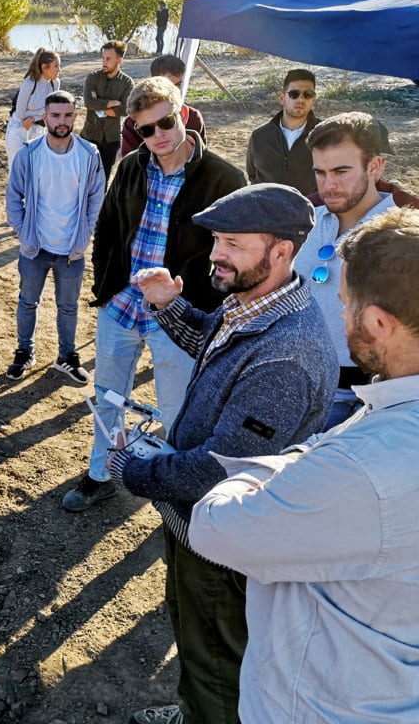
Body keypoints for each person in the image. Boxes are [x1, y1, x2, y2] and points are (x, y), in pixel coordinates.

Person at [110, 184, 337, 724]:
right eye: (217, 240)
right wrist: (167, 304)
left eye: (233, 243)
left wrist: (132, 470)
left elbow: (217, 469)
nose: (216, 254)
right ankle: (194, 709)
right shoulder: (255, 303)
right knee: (192, 630)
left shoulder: (287, 356)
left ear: (281, 251)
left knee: (217, 655)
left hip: (224, 542)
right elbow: (214, 339)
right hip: (197, 526)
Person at [189, 205, 419, 724]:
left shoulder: (362, 468)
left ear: (379, 321)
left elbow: (215, 525)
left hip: (319, 702)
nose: (339, 318)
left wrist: (281, 463)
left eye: (345, 306)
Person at [63, 76, 246, 512]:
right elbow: (107, 230)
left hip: (181, 314)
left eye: (165, 123)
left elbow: (237, 252)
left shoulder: (224, 176)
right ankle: (101, 473)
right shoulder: (130, 166)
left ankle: (180, 492)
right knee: (107, 396)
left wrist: (198, 300)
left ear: (182, 114)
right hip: (122, 307)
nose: (158, 136)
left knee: (178, 411)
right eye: (145, 129)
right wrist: (104, 289)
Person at [299, 112, 397, 428]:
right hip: (293, 384)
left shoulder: (399, 238)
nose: (329, 185)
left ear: (375, 166)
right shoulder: (306, 221)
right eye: (320, 172)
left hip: (357, 400)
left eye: (341, 171)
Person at [4, 90, 104, 383]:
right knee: (27, 302)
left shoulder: (89, 154)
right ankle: (24, 352)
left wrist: (86, 232)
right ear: (45, 117)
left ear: (76, 115)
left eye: (68, 115)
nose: (62, 121)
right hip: (35, 247)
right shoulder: (29, 153)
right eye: (56, 115)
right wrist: (23, 233)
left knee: (69, 306)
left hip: (72, 249)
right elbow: (13, 196)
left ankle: (66, 356)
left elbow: (97, 195)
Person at [245, 68, 319, 195]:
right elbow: (252, 175)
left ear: (313, 100)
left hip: (307, 212)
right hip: (264, 210)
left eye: (308, 94)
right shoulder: (260, 136)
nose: (301, 100)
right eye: (294, 94)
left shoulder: (324, 136)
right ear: (282, 98)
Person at [120, 55, 206, 157]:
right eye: (167, 85)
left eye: (178, 84)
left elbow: (200, 159)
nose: (174, 90)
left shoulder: (193, 117)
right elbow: (131, 166)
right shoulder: (134, 123)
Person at [79, 40, 134, 179]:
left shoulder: (127, 82)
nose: (104, 61)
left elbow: (126, 109)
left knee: (103, 178)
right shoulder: (92, 78)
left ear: (119, 60)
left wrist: (100, 104)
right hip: (89, 134)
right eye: (103, 57)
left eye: (108, 58)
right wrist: (110, 103)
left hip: (111, 137)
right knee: (83, 177)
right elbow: (89, 102)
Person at [4, 48, 61, 173]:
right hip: (19, 128)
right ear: (44, 67)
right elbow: (20, 113)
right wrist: (42, 112)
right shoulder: (30, 83)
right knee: (16, 170)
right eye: (56, 66)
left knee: (36, 171)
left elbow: (51, 110)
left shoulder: (55, 84)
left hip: (39, 130)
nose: (59, 70)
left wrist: (34, 117)